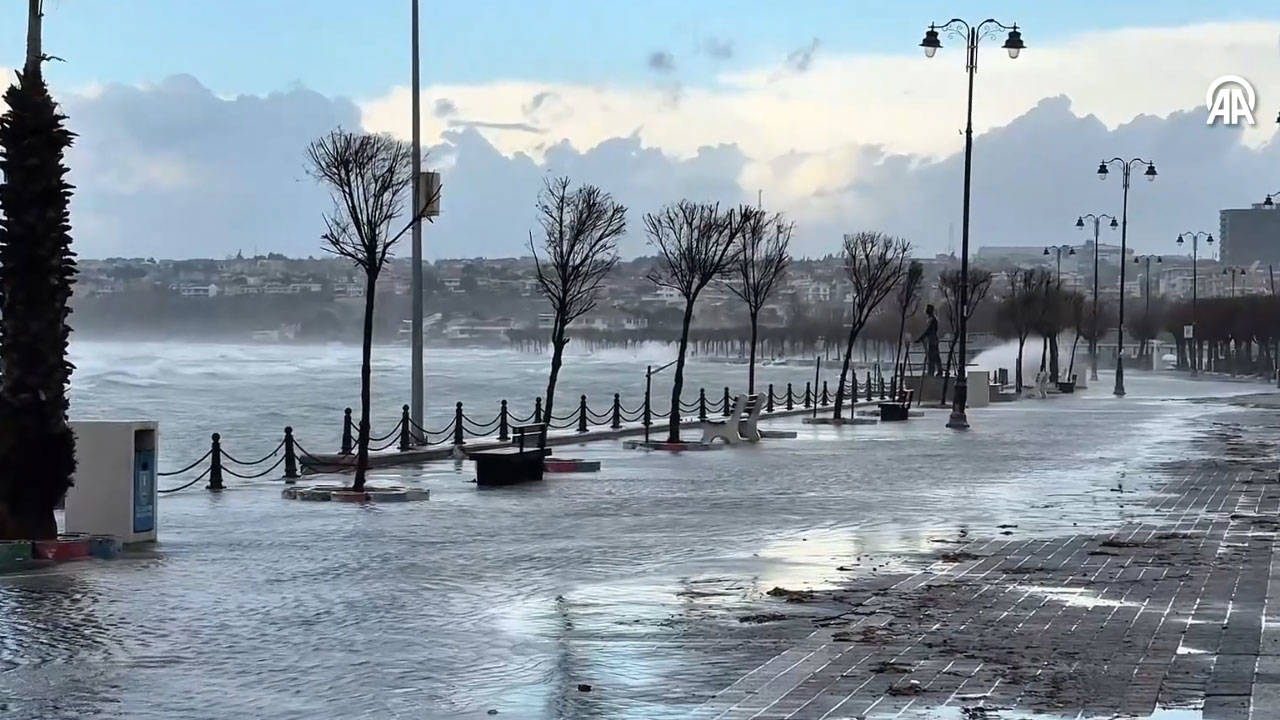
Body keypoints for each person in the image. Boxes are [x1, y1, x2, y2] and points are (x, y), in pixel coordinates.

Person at [914, 304, 943, 377]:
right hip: (932, 340)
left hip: (932, 340)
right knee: (934, 356)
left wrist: (920, 338)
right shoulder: (932, 319)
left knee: (932, 356)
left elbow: (928, 331)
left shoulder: (932, 320)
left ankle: (932, 372)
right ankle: (936, 371)